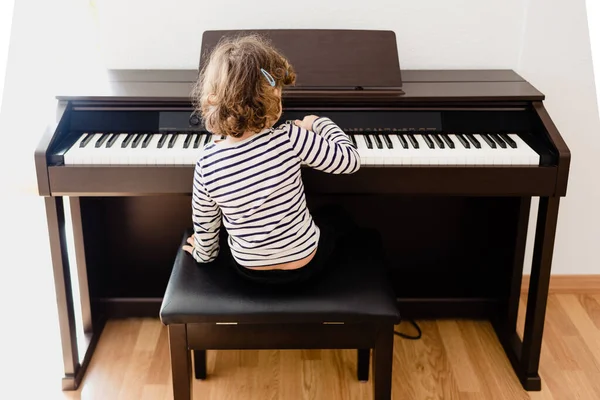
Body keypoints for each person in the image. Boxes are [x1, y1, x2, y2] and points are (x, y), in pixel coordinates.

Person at [182, 34, 361, 285]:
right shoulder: (289, 137)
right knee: (337, 217)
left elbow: (206, 224)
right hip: (304, 266)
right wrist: (317, 123)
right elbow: (350, 160)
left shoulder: (206, 163)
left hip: (248, 271)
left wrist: (203, 254)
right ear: (271, 100)